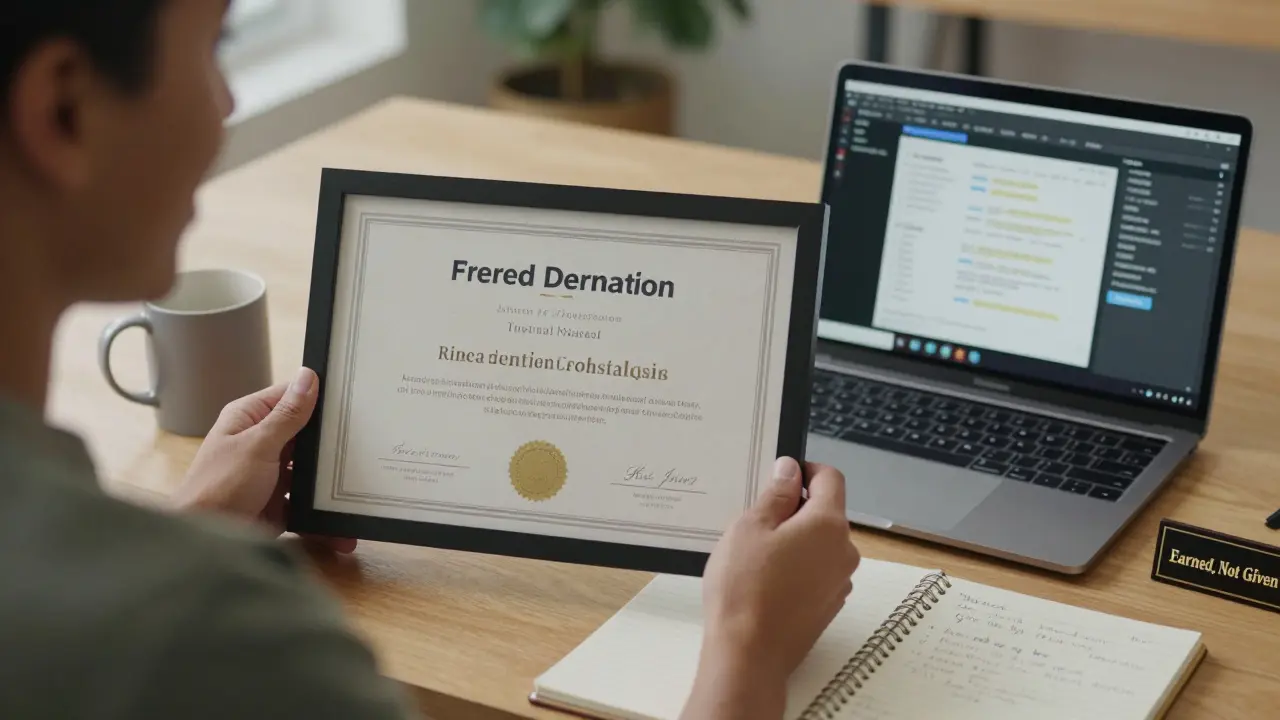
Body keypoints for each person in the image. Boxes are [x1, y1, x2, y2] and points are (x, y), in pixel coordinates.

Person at [0, 1, 862, 718]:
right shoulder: (233, 644)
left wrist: (192, 533)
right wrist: (748, 646)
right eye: (214, 43)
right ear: (63, 107)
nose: (226, 100)